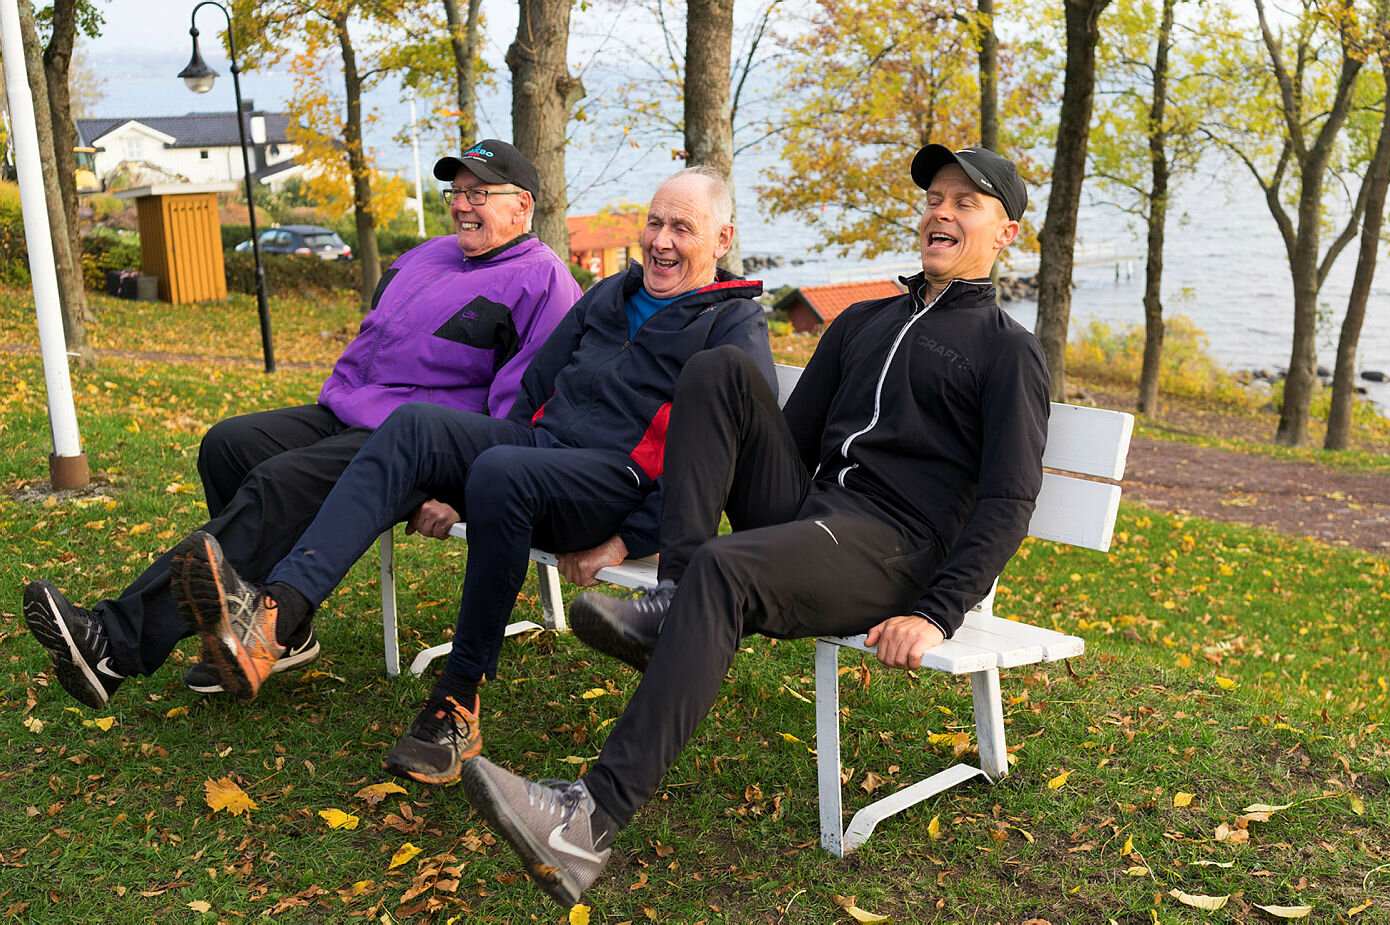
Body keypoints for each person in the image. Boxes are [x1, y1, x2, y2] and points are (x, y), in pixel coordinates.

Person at [458, 144, 1050, 907]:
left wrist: (938, 612)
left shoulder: (1009, 353)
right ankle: (676, 597)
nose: (941, 211)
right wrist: (656, 520)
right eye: (936, 196)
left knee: (724, 568)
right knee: (720, 369)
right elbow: (779, 438)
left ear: (1005, 236)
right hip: (813, 515)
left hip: (893, 548)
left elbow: (1008, 500)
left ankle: (586, 823)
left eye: (966, 203)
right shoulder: (861, 323)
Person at [169, 166, 776, 787]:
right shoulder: (611, 294)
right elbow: (535, 387)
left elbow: (717, 459)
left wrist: (628, 541)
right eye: (654, 222)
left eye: (683, 228)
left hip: (613, 485)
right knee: (413, 425)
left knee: (503, 470)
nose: (661, 241)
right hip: (537, 452)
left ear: (722, 239)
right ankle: (276, 617)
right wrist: (457, 482)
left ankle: (457, 700)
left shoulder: (733, 327)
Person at [23, 138, 580, 708]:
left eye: (479, 193)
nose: (462, 204)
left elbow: (521, 412)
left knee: (281, 483)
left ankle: (114, 645)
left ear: (523, 204)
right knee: (229, 445)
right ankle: (277, 630)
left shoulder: (544, 283)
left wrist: (462, 492)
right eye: (456, 192)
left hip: (422, 444)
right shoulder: (425, 256)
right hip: (344, 412)